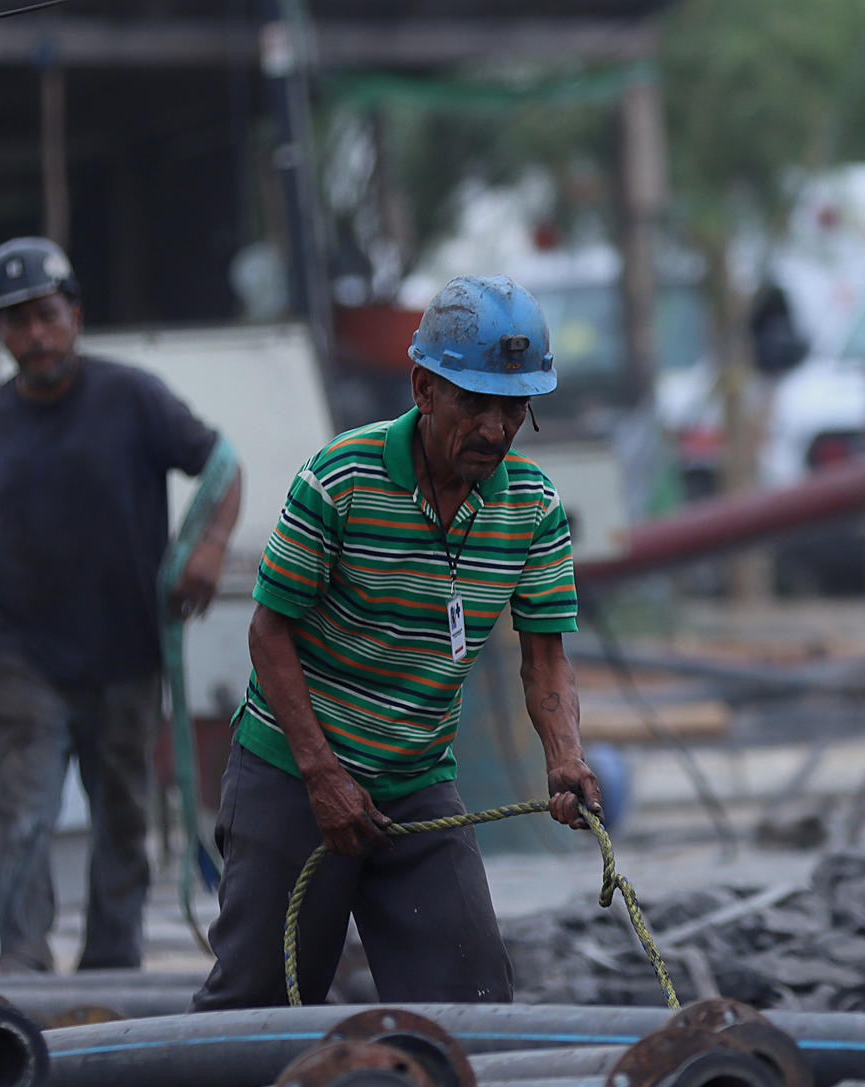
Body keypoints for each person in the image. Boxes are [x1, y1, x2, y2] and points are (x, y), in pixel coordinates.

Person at [191, 274, 600, 1009]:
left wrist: (565, 757)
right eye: (475, 404)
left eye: (514, 410)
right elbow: (268, 633)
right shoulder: (340, 479)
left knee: (473, 1003)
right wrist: (323, 776)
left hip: (416, 783)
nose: (494, 430)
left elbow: (545, 658)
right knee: (257, 1010)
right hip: (293, 774)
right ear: (423, 388)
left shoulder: (533, 507)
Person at [0, 236, 242, 973]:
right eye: (14, 322)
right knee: (23, 813)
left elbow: (222, 463)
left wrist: (209, 546)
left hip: (128, 651)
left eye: (45, 315)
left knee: (123, 819)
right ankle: (24, 958)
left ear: (74, 313)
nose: (33, 335)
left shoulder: (133, 397)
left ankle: (110, 965)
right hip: (27, 655)